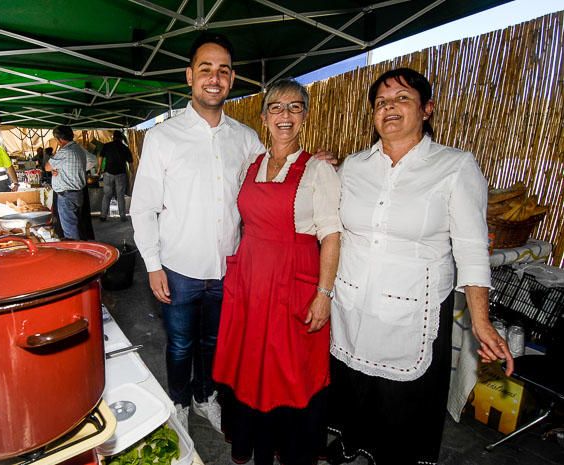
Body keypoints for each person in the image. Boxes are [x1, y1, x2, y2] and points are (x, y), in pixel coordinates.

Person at [327, 68, 514, 465]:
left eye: (402, 99)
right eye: (381, 102)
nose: (389, 108)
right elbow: (328, 223)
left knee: (402, 399)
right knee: (356, 385)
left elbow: (471, 247)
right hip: (354, 302)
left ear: (427, 109)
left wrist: (481, 321)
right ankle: (354, 443)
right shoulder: (354, 167)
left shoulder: (455, 166)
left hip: (415, 307)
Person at [131, 32, 266, 433]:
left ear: (232, 78)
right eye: (205, 69)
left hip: (228, 267)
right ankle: (178, 402)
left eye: (223, 70)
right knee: (180, 344)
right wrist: (153, 265)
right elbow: (143, 208)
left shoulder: (246, 138)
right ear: (190, 76)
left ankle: (205, 396)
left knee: (214, 344)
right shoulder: (162, 137)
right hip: (179, 268)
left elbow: (275, 177)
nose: (214, 77)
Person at [213, 78, 341, 465]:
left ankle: (291, 450)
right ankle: (254, 444)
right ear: (264, 115)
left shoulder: (319, 170)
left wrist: (324, 293)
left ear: (305, 115)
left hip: (293, 281)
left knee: (289, 370)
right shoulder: (249, 165)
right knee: (250, 364)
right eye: (276, 107)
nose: (285, 115)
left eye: (295, 107)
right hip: (251, 281)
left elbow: (332, 236)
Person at [45, 126, 96, 240]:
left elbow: (47, 167)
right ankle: (80, 248)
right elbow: (93, 160)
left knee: (70, 230)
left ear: (59, 139)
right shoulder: (79, 149)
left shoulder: (64, 151)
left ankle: (76, 253)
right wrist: (78, 168)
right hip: (78, 193)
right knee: (77, 224)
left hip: (66, 195)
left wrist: (63, 168)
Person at [98, 131, 133, 221]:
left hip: (108, 173)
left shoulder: (107, 146)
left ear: (113, 137)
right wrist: (132, 172)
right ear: (121, 138)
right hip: (121, 174)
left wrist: (99, 169)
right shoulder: (125, 148)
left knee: (107, 195)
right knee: (120, 195)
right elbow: (130, 162)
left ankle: (103, 216)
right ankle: (122, 216)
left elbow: (100, 157)